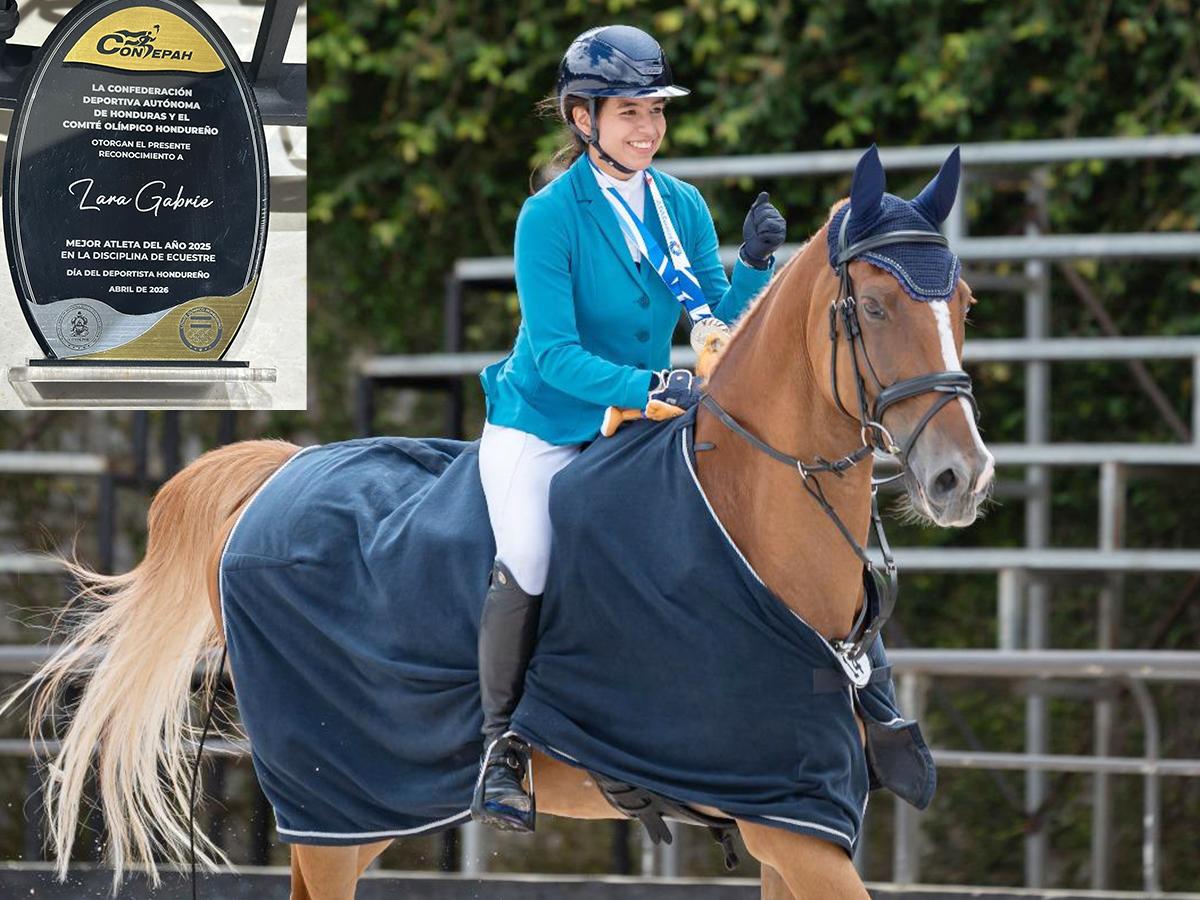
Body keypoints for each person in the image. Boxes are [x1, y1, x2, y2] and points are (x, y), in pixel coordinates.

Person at [472, 24, 787, 833]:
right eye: (629, 114)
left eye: (655, 111)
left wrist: (753, 265)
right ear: (584, 120)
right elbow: (553, 355)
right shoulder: (549, 217)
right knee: (532, 553)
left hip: (638, 420)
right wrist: (650, 385)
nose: (647, 128)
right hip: (547, 419)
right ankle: (501, 746)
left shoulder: (679, 203)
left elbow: (715, 323)